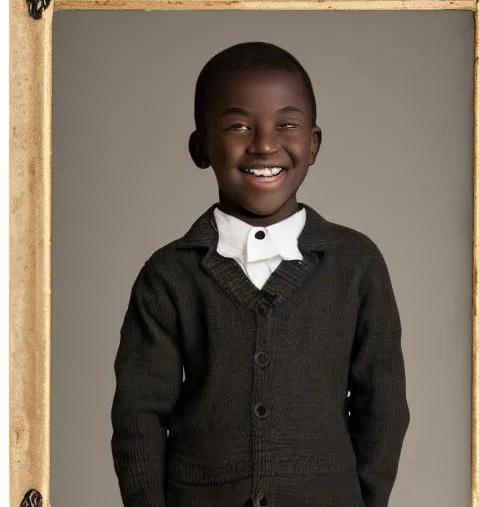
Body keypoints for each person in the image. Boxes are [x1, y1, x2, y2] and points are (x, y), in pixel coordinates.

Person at [111, 41, 410, 507]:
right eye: (238, 126)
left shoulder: (356, 263)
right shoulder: (168, 275)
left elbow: (383, 406)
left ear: (313, 145)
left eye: (287, 125)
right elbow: (138, 416)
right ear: (200, 147)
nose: (265, 144)